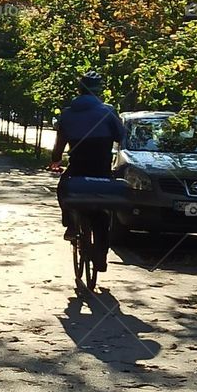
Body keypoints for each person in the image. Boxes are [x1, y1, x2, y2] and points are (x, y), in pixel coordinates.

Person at [49, 71, 125, 270]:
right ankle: (101, 256)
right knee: (102, 212)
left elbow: (59, 144)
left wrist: (55, 160)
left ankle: (70, 224)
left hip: (78, 167)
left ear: (79, 90)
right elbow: (121, 136)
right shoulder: (108, 111)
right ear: (98, 92)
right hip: (101, 169)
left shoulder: (67, 114)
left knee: (63, 188)